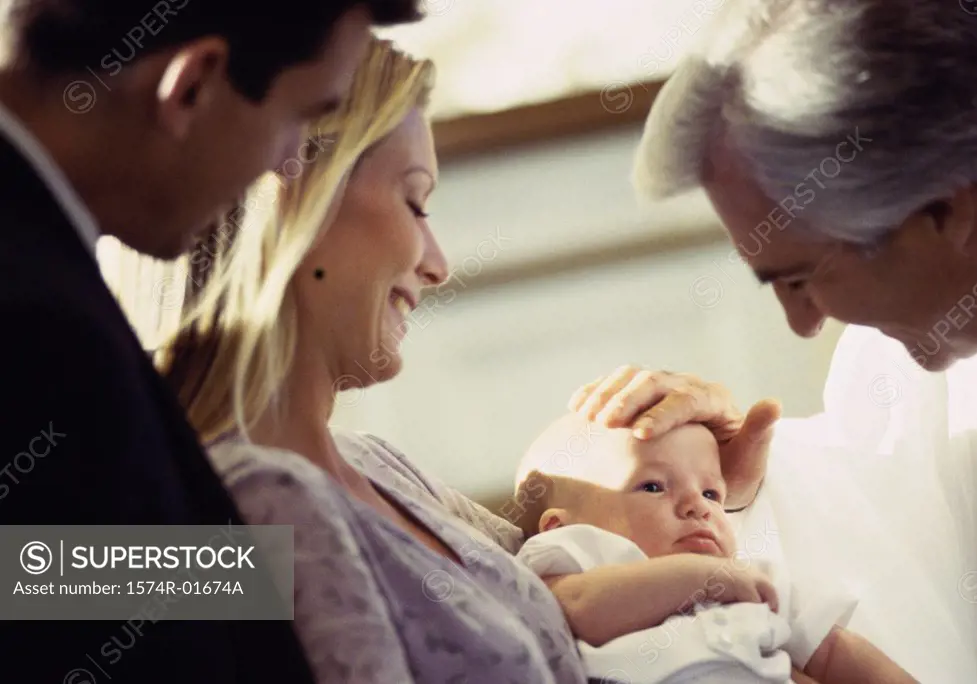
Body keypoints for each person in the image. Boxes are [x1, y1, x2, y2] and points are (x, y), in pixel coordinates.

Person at [157, 38, 783, 683]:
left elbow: (578, 554)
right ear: (296, 192)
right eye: (415, 201)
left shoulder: (381, 468)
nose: (437, 264)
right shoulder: (255, 496)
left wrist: (689, 473)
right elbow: (56, 585)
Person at [0, 1, 420, 682]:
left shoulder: (45, 266)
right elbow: (31, 581)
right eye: (301, 118)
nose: (287, 166)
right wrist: (302, 560)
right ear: (192, 85)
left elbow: (44, 558)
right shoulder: (34, 309)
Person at [631, 0, 977, 681]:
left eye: (799, 279)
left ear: (944, 210)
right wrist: (726, 483)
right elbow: (889, 509)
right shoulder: (911, 362)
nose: (805, 323)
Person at [514, 412, 914, 684]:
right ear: (558, 524)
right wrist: (699, 577)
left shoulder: (757, 578)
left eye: (711, 492)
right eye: (652, 486)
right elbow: (576, 608)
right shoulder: (580, 554)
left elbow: (831, 653)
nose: (698, 506)